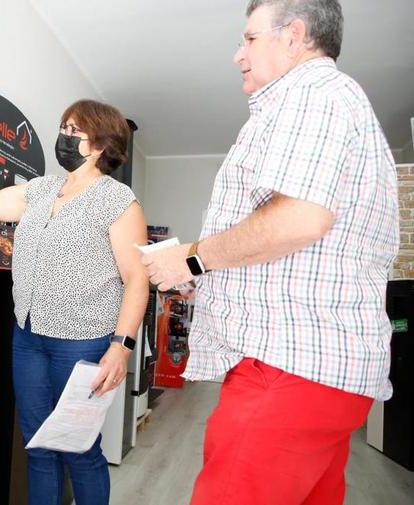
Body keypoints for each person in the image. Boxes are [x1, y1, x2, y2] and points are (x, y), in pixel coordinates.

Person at [140, 1, 400, 504]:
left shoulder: (312, 95)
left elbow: (298, 219)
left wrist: (192, 257)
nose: (238, 54)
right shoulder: (332, 101)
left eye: (250, 38)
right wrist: (204, 274)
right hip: (322, 371)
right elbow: (304, 246)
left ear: (294, 35)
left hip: (288, 369)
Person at [0, 99, 148, 505]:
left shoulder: (118, 200)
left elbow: (137, 279)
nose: (65, 137)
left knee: (79, 449)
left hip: (84, 343)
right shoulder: (39, 189)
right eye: (64, 127)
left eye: (74, 131)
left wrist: (121, 347)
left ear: (98, 144)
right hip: (29, 338)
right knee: (38, 446)